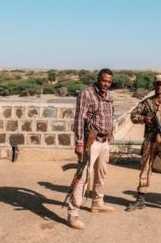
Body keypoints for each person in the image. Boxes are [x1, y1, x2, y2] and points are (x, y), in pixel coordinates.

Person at [126, 74, 161, 215]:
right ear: (154, 85)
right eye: (157, 84)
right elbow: (133, 116)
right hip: (150, 139)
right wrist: (143, 119)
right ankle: (140, 199)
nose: (159, 87)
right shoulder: (147, 103)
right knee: (145, 169)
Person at [67, 68, 116, 230]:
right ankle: (73, 214)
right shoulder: (86, 94)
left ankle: (97, 203)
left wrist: (110, 135)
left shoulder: (109, 96)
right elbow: (79, 119)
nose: (106, 84)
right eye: (104, 80)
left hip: (104, 141)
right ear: (98, 78)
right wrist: (80, 143)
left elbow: (110, 116)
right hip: (91, 141)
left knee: (101, 174)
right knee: (83, 177)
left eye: (109, 82)